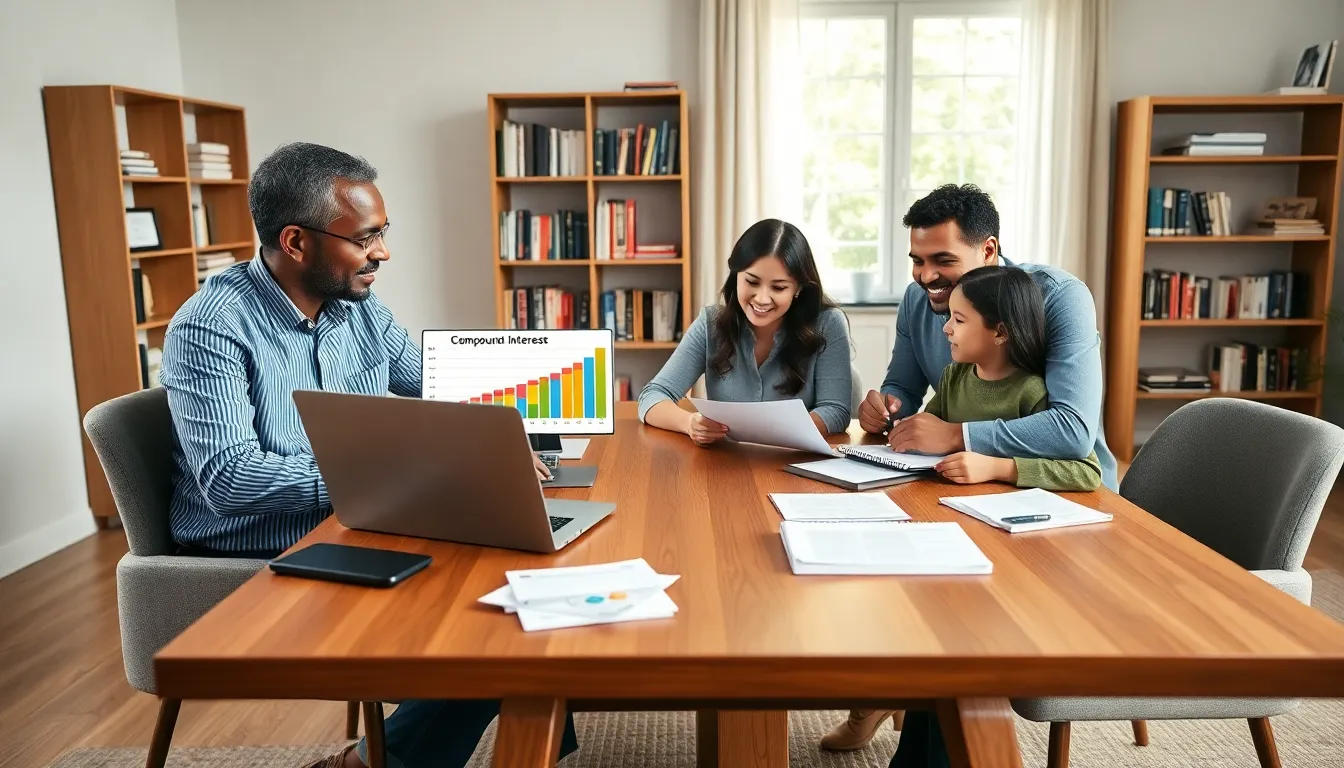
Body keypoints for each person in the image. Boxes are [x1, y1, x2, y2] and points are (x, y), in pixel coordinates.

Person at [158, 141, 569, 768]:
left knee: (531, 576)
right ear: (296, 242)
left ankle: (527, 742)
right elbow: (230, 480)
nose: (383, 252)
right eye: (365, 237)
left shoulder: (358, 308)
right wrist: (406, 473)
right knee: (497, 622)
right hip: (265, 550)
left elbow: (435, 384)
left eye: (383, 232)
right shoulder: (212, 325)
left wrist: (521, 422)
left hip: (361, 524)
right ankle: (372, 764)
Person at [821, 184, 1116, 763]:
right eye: (917, 260)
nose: (925, 277)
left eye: (942, 261)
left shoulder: (1057, 298)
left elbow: (1073, 431)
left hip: (1055, 502)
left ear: (988, 250)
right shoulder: (921, 301)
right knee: (867, 556)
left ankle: (919, 711)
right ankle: (888, 689)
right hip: (962, 490)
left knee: (954, 614)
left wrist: (959, 435)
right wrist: (888, 407)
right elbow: (907, 385)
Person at [637, 218, 853, 442]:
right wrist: (690, 423)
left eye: (779, 287)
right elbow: (652, 396)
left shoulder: (828, 324)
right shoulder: (711, 323)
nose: (762, 298)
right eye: (752, 282)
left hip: (795, 458)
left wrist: (776, 434)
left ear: (798, 288)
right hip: (726, 460)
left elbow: (836, 410)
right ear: (736, 275)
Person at [926, 266, 1102, 489]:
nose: (946, 328)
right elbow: (929, 429)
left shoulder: (1031, 392)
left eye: (959, 320)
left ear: (1000, 333)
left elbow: (1087, 473)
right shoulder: (953, 377)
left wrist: (996, 468)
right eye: (950, 317)